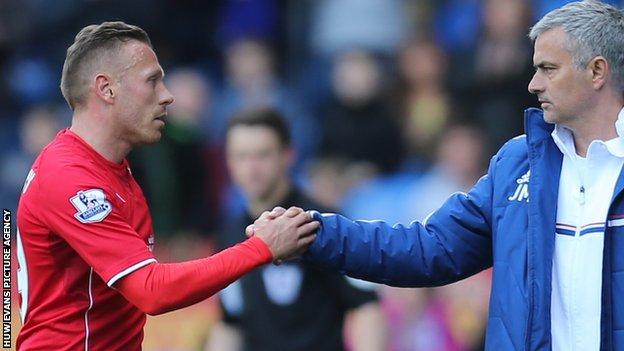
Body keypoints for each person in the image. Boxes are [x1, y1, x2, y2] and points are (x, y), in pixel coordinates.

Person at [252, 1, 624, 349]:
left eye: (548, 69)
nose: (533, 84)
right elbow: (430, 248)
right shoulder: (518, 163)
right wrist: (315, 233)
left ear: (596, 71)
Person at [15, 22, 318, 351]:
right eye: (152, 81)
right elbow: (151, 290)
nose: (167, 96)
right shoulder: (70, 177)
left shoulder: (113, 171)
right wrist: (261, 247)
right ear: (106, 89)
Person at [206, 108, 386, 351]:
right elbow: (231, 322)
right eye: (241, 156)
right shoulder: (229, 235)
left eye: (262, 155)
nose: (251, 168)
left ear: (288, 155)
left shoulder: (325, 225)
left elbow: (366, 307)